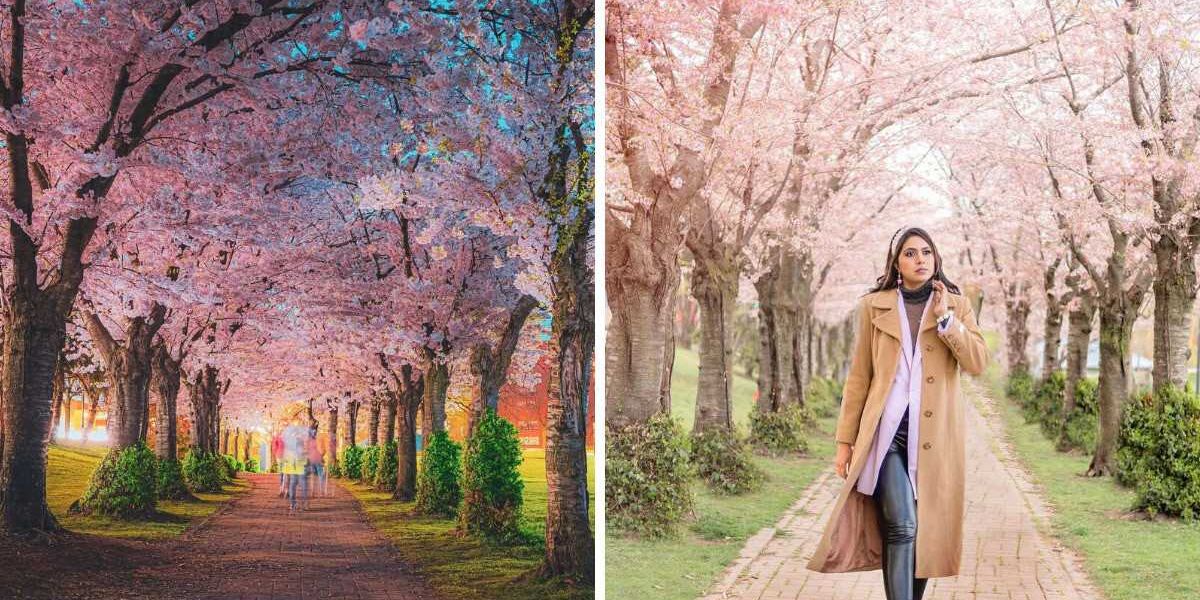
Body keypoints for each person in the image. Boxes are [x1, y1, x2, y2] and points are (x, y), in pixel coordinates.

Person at [806, 226, 989, 600]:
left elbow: (977, 362)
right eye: (910, 253)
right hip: (886, 435)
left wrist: (946, 321)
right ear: (896, 262)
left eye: (926, 252)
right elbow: (859, 378)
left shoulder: (956, 306)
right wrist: (845, 442)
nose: (919, 259)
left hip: (935, 440)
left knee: (925, 532)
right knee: (902, 526)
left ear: (935, 258)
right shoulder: (874, 306)